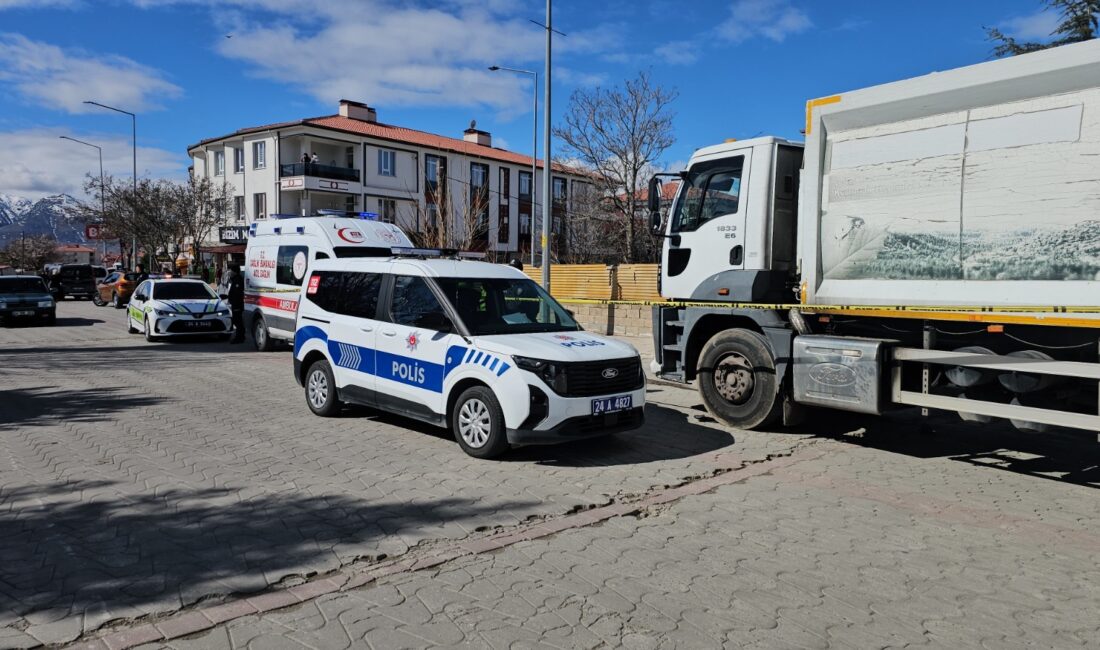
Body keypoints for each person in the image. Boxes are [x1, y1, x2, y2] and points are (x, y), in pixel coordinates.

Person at [226, 263, 246, 344]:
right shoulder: (234, 279)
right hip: (234, 304)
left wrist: (235, 303)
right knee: (237, 321)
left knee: (238, 321)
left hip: (237, 305)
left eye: (231, 270)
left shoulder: (238, 280)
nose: (230, 272)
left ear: (235, 272)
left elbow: (237, 293)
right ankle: (241, 336)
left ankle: (239, 337)